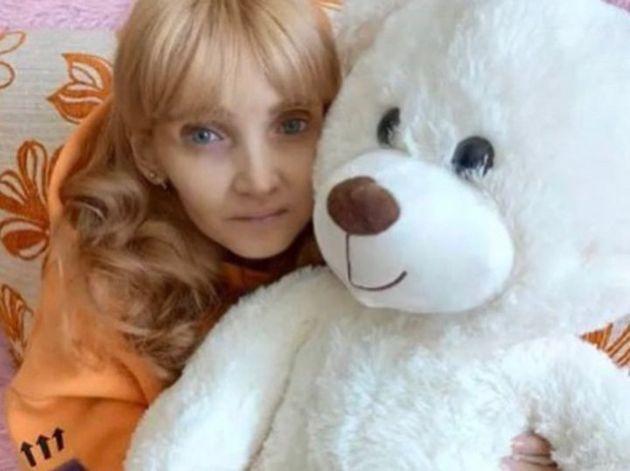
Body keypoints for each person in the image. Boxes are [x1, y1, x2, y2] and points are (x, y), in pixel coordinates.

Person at [4, 1, 340, 469]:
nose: (260, 180)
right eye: (204, 135)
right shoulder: (106, 262)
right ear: (149, 155)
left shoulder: (376, 211)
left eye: (292, 125)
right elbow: (50, 429)